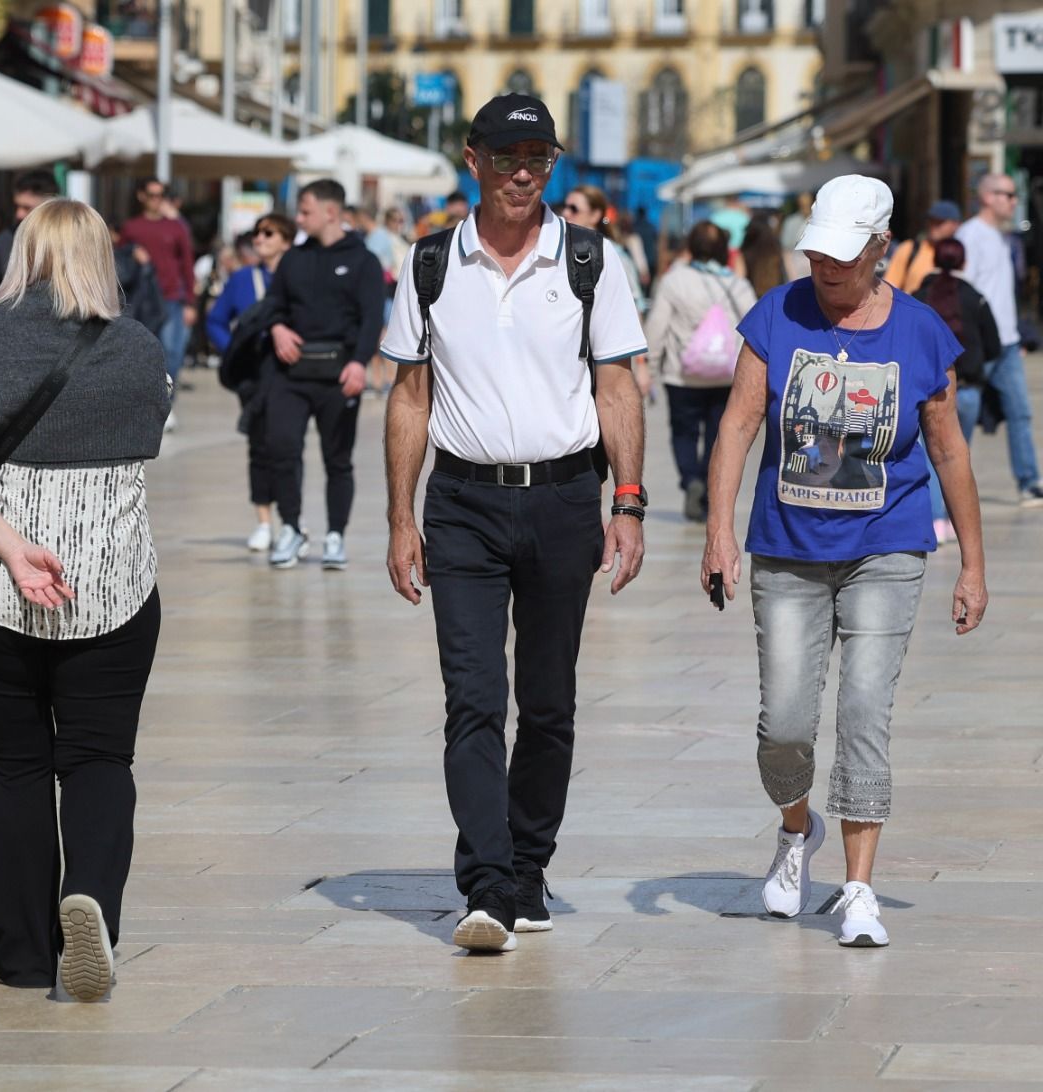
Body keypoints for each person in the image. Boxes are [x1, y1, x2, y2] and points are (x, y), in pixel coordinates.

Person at [382, 94, 647, 953]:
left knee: (550, 702)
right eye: (506, 156)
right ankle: (487, 884)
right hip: (460, 504)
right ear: (473, 161)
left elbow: (617, 387)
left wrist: (629, 502)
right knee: (472, 700)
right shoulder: (428, 264)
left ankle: (528, 866)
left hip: (566, 499)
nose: (523, 171)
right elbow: (410, 395)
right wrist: (398, 517)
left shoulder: (590, 261)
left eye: (538, 155)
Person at [701, 174, 987, 948]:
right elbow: (736, 427)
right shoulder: (777, 314)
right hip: (787, 549)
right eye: (817, 252)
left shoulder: (923, 332)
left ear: (881, 249)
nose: (826, 268)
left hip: (887, 545)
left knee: (865, 710)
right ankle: (798, 832)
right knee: (784, 726)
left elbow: (949, 447)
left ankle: (859, 888)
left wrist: (973, 563)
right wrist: (719, 532)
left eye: (843, 255)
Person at [0, 198, 169, 1002]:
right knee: (99, 759)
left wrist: (9, 543)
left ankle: (22, 953)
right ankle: (91, 894)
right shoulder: (137, 350)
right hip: (112, 584)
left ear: (21, 253)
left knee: (17, 766)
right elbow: (155, 422)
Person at [261, 179, 384, 571]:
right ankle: (292, 528)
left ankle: (335, 535)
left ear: (331, 212)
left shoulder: (364, 261)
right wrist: (278, 328)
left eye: (305, 212)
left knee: (338, 459)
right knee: (281, 448)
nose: (299, 219)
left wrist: (359, 362)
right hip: (291, 373)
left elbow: (371, 319)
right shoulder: (294, 258)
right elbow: (273, 305)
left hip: (339, 372)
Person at [645, 221, 758, 522]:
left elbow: (657, 325)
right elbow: (756, 329)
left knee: (683, 432)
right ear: (724, 250)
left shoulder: (674, 281)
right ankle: (708, 492)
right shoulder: (738, 285)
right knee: (718, 435)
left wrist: (650, 366)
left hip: (682, 375)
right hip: (726, 375)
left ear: (691, 247)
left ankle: (690, 480)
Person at [208, 212, 294, 551]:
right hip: (253, 377)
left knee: (287, 448)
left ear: (286, 241)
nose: (258, 240)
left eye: (268, 233)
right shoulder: (243, 279)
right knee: (259, 447)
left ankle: (292, 520)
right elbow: (215, 321)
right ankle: (263, 521)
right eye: (256, 234)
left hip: (290, 374)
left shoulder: (298, 278)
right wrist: (235, 351)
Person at [956, 174, 1043, 506]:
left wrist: (1018, 335)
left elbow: (1003, 295)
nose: (1014, 200)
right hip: (980, 346)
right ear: (988, 197)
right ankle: (952, 484)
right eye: (1009, 194)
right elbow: (964, 294)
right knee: (964, 414)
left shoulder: (1006, 240)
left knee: (1020, 413)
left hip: (1007, 343)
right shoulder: (969, 236)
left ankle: (1029, 482)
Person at [915, 238, 1003, 542]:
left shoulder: (919, 297)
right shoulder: (975, 298)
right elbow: (994, 345)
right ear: (963, 262)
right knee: (957, 455)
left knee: (931, 455)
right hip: (967, 391)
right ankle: (952, 519)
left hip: (926, 392)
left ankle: (936, 518)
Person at [120, 178, 196, 431]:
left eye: (160, 195)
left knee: (172, 353)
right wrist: (132, 252)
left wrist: (191, 303)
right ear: (141, 196)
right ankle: (146, 406)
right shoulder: (131, 228)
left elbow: (187, 264)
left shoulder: (176, 227)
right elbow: (119, 262)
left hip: (173, 297)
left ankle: (166, 404)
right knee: (143, 355)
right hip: (143, 300)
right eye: (152, 195)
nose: (156, 199)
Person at [0, 171, 62, 306]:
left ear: (49, 207)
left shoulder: (69, 240)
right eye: (17, 206)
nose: (19, 214)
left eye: (27, 208)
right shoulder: (5, 241)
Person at [563, 185, 649, 318]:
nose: (565, 213)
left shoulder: (612, 254)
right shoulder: (560, 249)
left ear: (595, 215)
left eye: (573, 209)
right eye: (566, 207)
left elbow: (635, 306)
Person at [883, 200, 960, 296]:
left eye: (939, 222)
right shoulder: (909, 248)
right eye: (931, 221)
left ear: (955, 225)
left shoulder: (961, 254)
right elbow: (890, 288)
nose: (933, 226)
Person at [742, 213, 802, 298]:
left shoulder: (746, 251)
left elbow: (742, 278)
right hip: (775, 296)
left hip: (752, 299)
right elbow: (785, 274)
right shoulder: (775, 247)